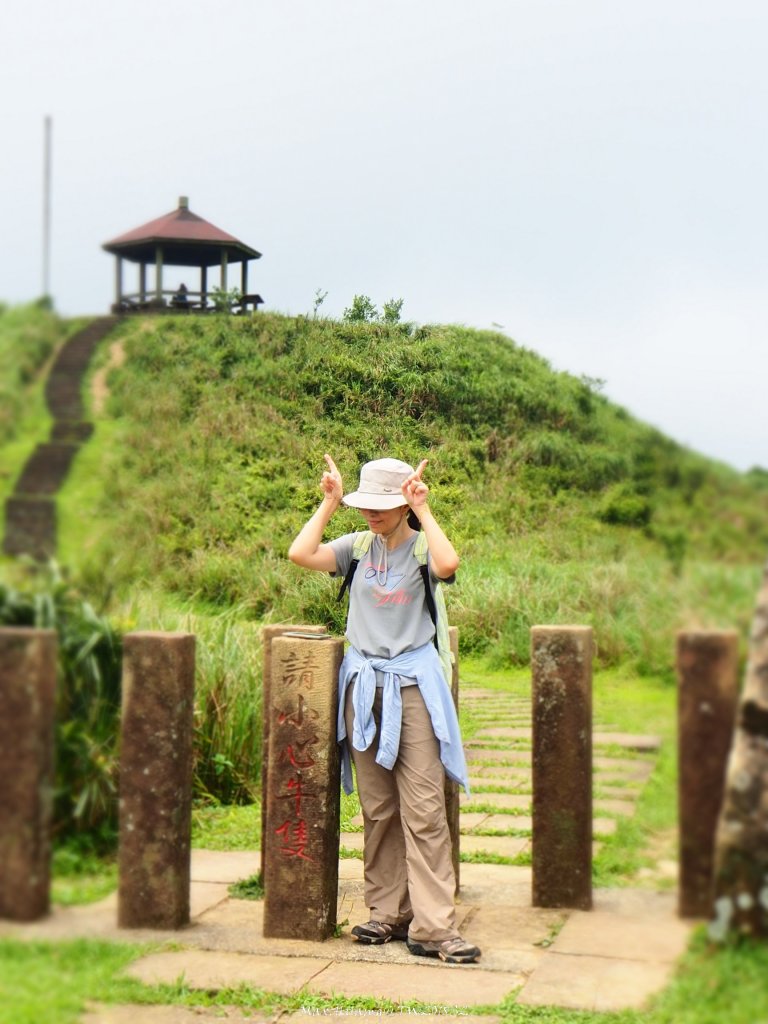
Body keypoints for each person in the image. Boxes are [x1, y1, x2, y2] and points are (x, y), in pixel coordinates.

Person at [288, 454, 481, 965]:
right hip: (363, 686)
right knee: (377, 807)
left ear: (402, 504)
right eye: (365, 504)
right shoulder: (356, 547)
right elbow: (300, 553)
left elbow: (449, 565)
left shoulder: (420, 548)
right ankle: (387, 911)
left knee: (423, 808)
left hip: (413, 688)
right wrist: (329, 503)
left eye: (383, 505)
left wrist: (425, 509)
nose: (371, 513)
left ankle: (435, 927)